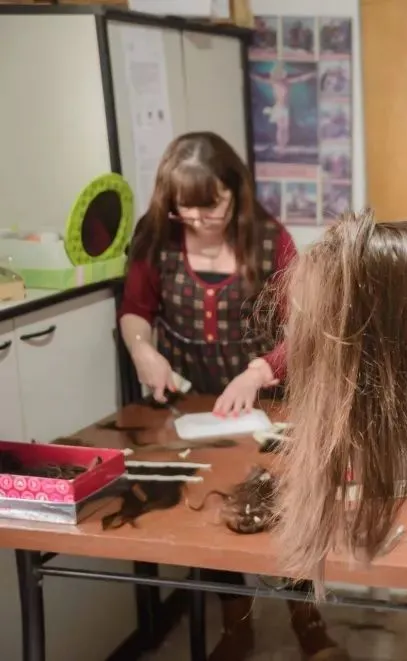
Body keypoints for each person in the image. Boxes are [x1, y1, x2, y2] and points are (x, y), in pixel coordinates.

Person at [119, 132, 344, 661]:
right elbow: (135, 309)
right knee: (209, 510)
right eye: (186, 211)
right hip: (196, 404)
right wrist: (143, 351)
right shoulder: (155, 238)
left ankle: (307, 621)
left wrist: (261, 369)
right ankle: (234, 625)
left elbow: (306, 329)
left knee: (280, 507)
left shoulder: (270, 239)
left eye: (212, 206)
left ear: (235, 189)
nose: (200, 221)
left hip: (271, 400)